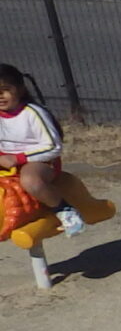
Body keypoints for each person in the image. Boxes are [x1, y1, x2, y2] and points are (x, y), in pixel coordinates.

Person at [0, 64, 83, 237]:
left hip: (38, 161)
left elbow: (53, 146)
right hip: (5, 161)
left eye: (5, 90)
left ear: (20, 89)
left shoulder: (33, 113)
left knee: (30, 181)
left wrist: (18, 158)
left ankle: (64, 209)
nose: (0, 95)